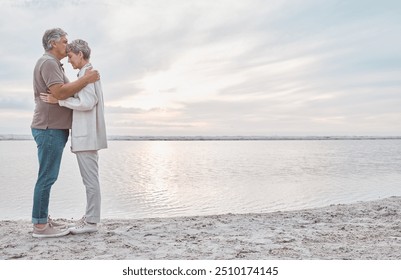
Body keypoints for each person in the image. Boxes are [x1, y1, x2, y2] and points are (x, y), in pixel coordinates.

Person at [31, 28, 99, 238]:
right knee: (47, 177)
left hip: (53, 128)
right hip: (49, 128)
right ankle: (41, 226)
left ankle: (42, 219)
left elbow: (70, 91)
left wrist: (83, 80)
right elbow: (60, 92)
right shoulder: (49, 63)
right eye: (64, 42)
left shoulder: (53, 64)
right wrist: (86, 80)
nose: (67, 46)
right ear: (53, 44)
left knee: (48, 176)